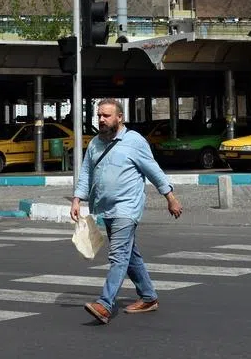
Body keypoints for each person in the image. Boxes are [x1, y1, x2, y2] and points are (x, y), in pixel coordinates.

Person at [70, 98, 182, 325]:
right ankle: (149, 297)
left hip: (127, 208)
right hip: (105, 208)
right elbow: (86, 173)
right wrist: (76, 199)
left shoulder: (134, 141)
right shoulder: (95, 144)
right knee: (130, 255)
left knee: (118, 256)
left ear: (120, 117)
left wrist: (170, 197)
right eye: (99, 115)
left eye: (106, 115)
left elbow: (153, 171)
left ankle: (105, 304)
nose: (101, 119)